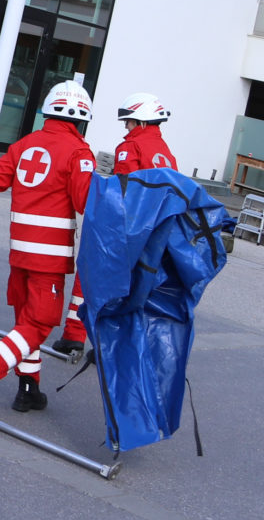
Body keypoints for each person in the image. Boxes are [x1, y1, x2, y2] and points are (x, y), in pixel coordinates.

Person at [0, 80, 96, 422]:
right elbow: (88, 204)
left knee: (25, 322)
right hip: (49, 258)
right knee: (39, 325)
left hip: (19, 254)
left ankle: (28, 389)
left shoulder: (24, 145)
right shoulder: (79, 153)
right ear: (82, 118)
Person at [48, 92, 177, 357]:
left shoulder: (130, 147)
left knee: (90, 275)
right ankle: (110, 346)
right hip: (152, 230)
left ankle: (74, 336)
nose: (127, 127)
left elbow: (124, 187)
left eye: (130, 122)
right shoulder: (166, 153)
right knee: (129, 286)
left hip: (124, 226)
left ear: (141, 122)